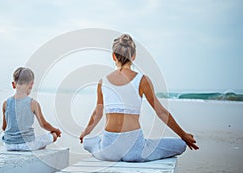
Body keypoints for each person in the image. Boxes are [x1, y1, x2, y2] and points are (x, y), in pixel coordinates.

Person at [80, 34, 199, 162]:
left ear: (113, 56)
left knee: (88, 141)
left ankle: (95, 143)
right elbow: (161, 112)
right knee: (180, 145)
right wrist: (183, 135)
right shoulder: (142, 80)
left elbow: (97, 114)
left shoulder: (103, 81)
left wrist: (85, 133)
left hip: (108, 150)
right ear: (133, 56)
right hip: (134, 150)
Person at [1, 67, 61, 151]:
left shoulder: (5, 103)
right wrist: (56, 130)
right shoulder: (33, 103)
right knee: (51, 136)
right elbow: (44, 125)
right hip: (27, 145)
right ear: (31, 84)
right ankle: (47, 140)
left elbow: (4, 128)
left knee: (2, 134)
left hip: (9, 145)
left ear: (13, 84)